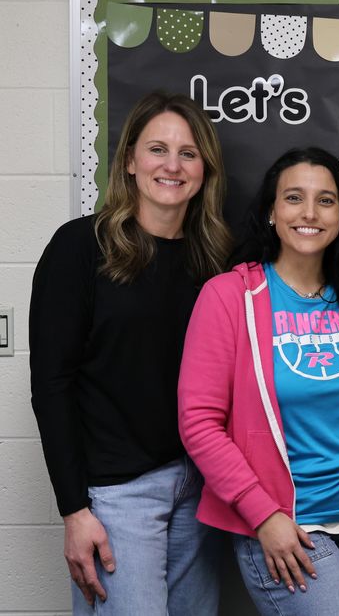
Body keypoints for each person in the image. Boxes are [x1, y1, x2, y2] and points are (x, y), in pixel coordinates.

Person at [178, 147, 339, 614]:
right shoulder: (230, 297)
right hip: (285, 525)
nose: (309, 213)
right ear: (271, 211)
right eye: (293, 198)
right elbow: (199, 423)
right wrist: (263, 515)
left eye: (325, 200)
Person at [29, 91, 232, 613]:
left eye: (188, 153)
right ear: (129, 161)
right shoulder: (79, 248)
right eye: (157, 149)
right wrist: (74, 511)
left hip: (199, 487)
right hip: (119, 494)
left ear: (205, 168)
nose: (172, 165)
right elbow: (52, 385)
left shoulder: (217, 261)